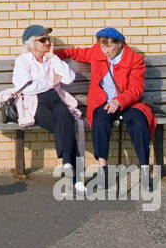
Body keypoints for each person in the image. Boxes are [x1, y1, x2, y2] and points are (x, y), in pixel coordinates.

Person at [55, 28, 156, 193]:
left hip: (128, 103)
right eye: (103, 47)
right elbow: (73, 53)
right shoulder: (96, 52)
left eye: (109, 47)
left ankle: (145, 169)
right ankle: (103, 169)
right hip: (102, 102)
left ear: (120, 44)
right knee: (100, 121)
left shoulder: (134, 59)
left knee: (139, 123)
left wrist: (119, 100)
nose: (106, 51)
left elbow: (136, 89)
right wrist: (50, 56)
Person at [9, 24, 84, 192]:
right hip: (33, 102)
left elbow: (69, 78)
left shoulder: (51, 59)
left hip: (54, 98)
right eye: (42, 40)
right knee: (65, 126)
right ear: (30, 44)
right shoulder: (23, 61)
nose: (47, 43)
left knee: (64, 117)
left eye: (48, 39)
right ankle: (75, 177)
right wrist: (52, 82)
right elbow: (26, 87)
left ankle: (67, 165)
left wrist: (54, 58)